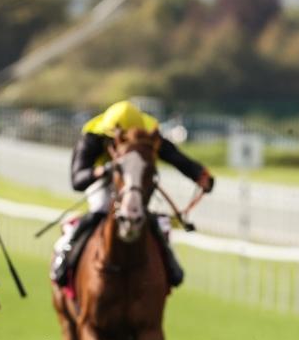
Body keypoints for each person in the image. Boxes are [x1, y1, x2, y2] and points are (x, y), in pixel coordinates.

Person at [50, 100, 215, 289]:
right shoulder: (93, 135)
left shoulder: (147, 133)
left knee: (145, 215)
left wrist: (199, 174)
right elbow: (77, 180)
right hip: (105, 181)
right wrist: (104, 170)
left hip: (135, 182)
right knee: (100, 209)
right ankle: (66, 254)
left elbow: (173, 156)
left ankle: (169, 260)